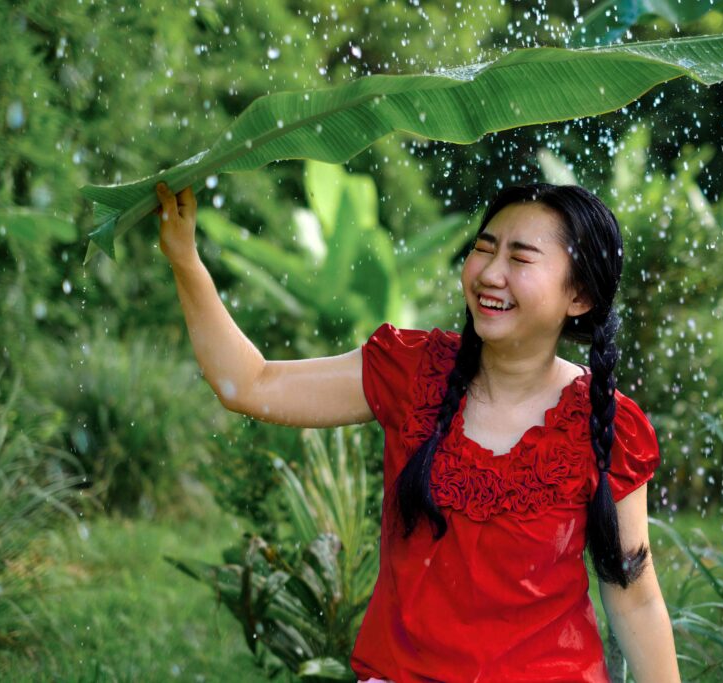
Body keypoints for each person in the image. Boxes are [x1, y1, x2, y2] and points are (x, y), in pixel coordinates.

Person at [154, 179, 681, 683]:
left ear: (580, 296)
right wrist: (186, 260)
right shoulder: (409, 372)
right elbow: (248, 383)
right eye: (484, 248)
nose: (490, 273)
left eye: (520, 258)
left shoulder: (606, 425)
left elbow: (633, 596)